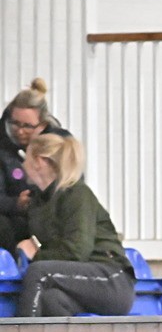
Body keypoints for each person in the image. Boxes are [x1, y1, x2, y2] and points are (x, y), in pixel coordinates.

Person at [15, 133, 134, 317]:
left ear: (39, 161)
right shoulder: (39, 202)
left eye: (27, 158)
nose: (23, 165)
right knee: (50, 299)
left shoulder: (77, 195)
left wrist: (36, 254)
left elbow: (77, 251)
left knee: (39, 272)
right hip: (77, 280)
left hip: (111, 279)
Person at [0, 78, 71, 254]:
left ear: (42, 125)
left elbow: (72, 185)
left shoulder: (61, 145)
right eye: (14, 123)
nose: (20, 131)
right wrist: (16, 204)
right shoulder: (2, 148)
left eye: (27, 126)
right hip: (12, 219)